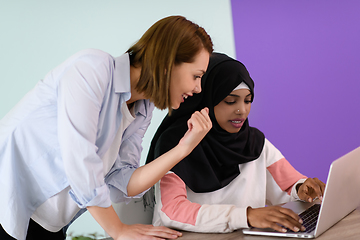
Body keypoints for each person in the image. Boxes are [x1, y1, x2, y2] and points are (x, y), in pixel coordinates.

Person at [0, 15, 213, 240]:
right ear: (168, 63)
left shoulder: (142, 108)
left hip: (46, 222)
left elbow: (124, 181)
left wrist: (183, 148)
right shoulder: (91, 69)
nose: (198, 88)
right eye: (196, 76)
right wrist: (118, 230)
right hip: (8, 203)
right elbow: (80, 161)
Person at [146, 52, 326, 234]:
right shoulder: (175, 144)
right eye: (230, 101)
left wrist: (302, 188)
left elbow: (287, 185)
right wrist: (244, 216)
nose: (241, 110)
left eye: (248, 101)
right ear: (206, 100)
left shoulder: (254, 142)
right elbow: (172, 210)